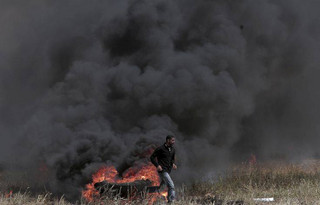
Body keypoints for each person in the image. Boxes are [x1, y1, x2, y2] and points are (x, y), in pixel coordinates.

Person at [150, 135, 177, 203]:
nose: (174, 142)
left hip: (168, 170)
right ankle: (171, 201)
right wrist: (157, 165)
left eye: (174, 140)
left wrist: (173, 164)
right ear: (168, 140)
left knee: (162, 187)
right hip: (162, 171)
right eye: (172, 140)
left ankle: (148, 191)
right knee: (171, 185)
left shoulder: (173, 149)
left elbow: (172, 159)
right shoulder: (160, 149)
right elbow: (152, 157)